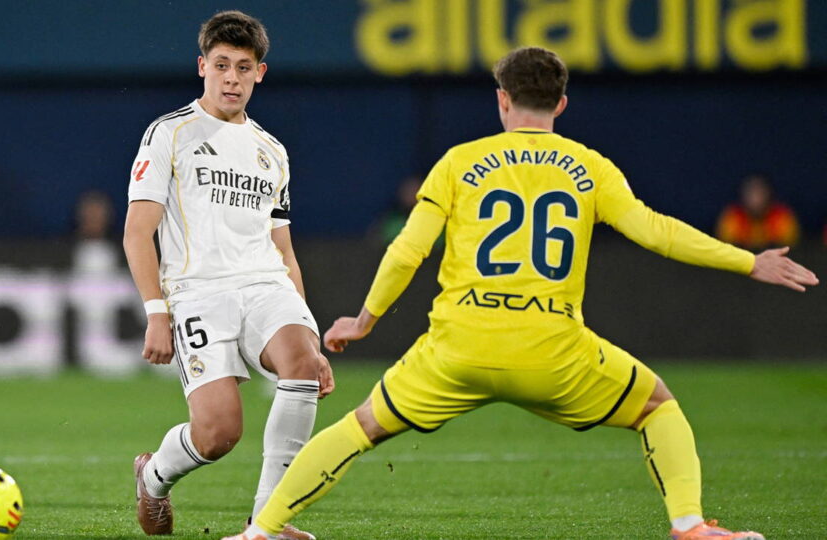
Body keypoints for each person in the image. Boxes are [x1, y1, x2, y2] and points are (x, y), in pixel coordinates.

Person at [224, 47, 818, 540]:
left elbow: (408, 250)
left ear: (502, 99)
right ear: (560, 103)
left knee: (358, 429)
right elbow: (656, 232)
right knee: (658, 407)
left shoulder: (460, 162)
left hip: (458, 350)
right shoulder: (589, 166)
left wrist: (364, 320)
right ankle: (689, 526)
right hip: (554, 353)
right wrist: (749, 261)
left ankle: (261, 532)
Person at [123, 10, 333, 538]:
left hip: (264, 285)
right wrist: (156, 312)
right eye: (221, 65)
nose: (231, 78)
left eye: (243, 67)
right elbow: (137, 232)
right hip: (198, 293)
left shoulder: (272, 151)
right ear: (202, 67)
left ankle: (267, 523)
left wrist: (309, 336)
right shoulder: (169, 133)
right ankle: (154, 477)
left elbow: (283, 249)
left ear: (260, 72)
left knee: (301, 366)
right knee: (218, 434)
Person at [715, 174, 800, 250]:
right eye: (751, 194)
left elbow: (790, 245)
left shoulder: (781, 216)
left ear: (768, 194)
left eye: (760, 194)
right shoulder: (732, 217)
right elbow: (726, 247)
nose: (755, 200)